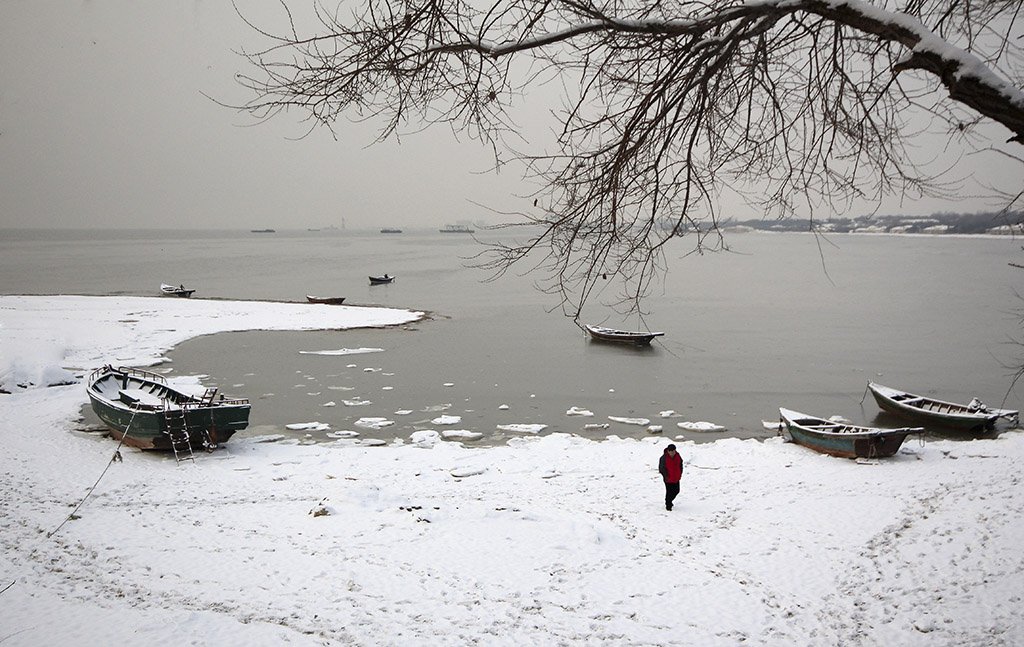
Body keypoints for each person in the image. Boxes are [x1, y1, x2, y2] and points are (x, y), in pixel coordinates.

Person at [658, 444, 684, 511]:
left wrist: (680, 473)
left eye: (674, 451)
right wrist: (666, 476)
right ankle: (668, 505)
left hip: (676, 477)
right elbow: (661, 468)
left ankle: (669, 501)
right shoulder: (663, 458)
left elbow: (680, 465)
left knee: (677, 491)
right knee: (669, 492)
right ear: (668, 451)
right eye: (671, 451)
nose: (672, 452)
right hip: (668, 479)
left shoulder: (678, 456)